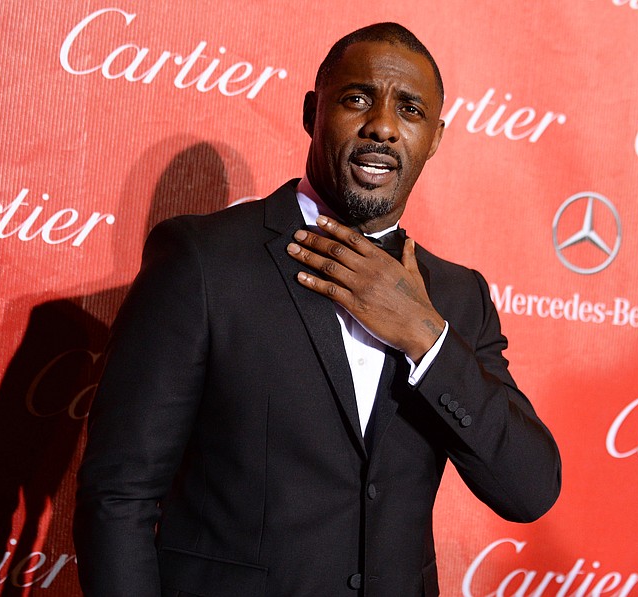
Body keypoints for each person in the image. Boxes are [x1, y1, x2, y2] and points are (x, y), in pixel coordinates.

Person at [74, 22, 561, 597]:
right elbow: (118, 496)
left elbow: (529, 489)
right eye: (358, 99)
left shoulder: (459, 297)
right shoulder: (205, 262)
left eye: (410, 110)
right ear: (313, 112)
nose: (382, 126)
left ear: (434, 139)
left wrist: (424, 336)